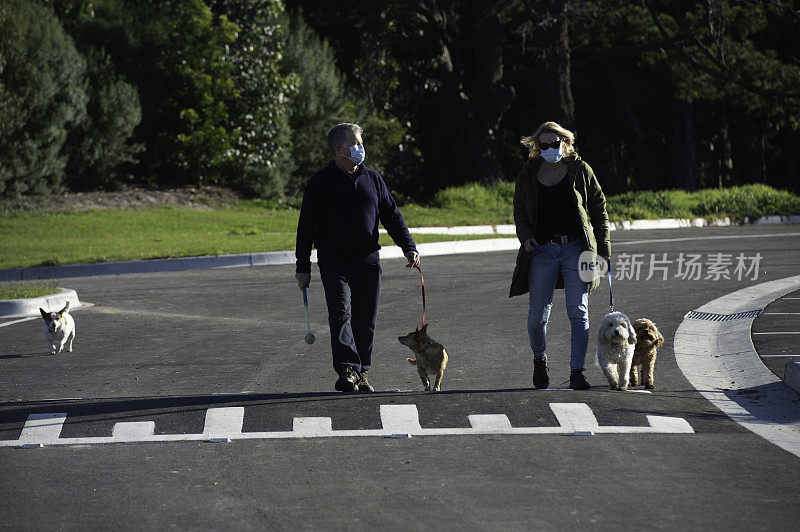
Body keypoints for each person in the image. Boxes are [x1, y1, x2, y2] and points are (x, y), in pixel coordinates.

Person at [295, 123, 420, 393]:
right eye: (356, 144)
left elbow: (392, 216)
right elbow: (305, 227)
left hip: (367, 260)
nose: (361, 148)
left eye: (361, 143)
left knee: (365, 318)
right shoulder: (320, 182)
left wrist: (408, 246)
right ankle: (348, 369)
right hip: (334, 261)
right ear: (339, 149)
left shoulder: (372, 179)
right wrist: (302, 267)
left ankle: (362, 371)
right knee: (340, 314)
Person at [509, 121, 610, 390]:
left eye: (556, 143)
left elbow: (599, 211)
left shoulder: (580, 169)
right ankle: (539, 358)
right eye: (545, 145)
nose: (551, 148)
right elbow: (519, 210)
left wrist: (604, 253)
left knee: (579, 311)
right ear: (536, 146)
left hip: (577, 248)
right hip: (541, 250)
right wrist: (525, 236)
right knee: (537, 317)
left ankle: (577, 371)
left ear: (565, 142)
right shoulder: (528, 173)